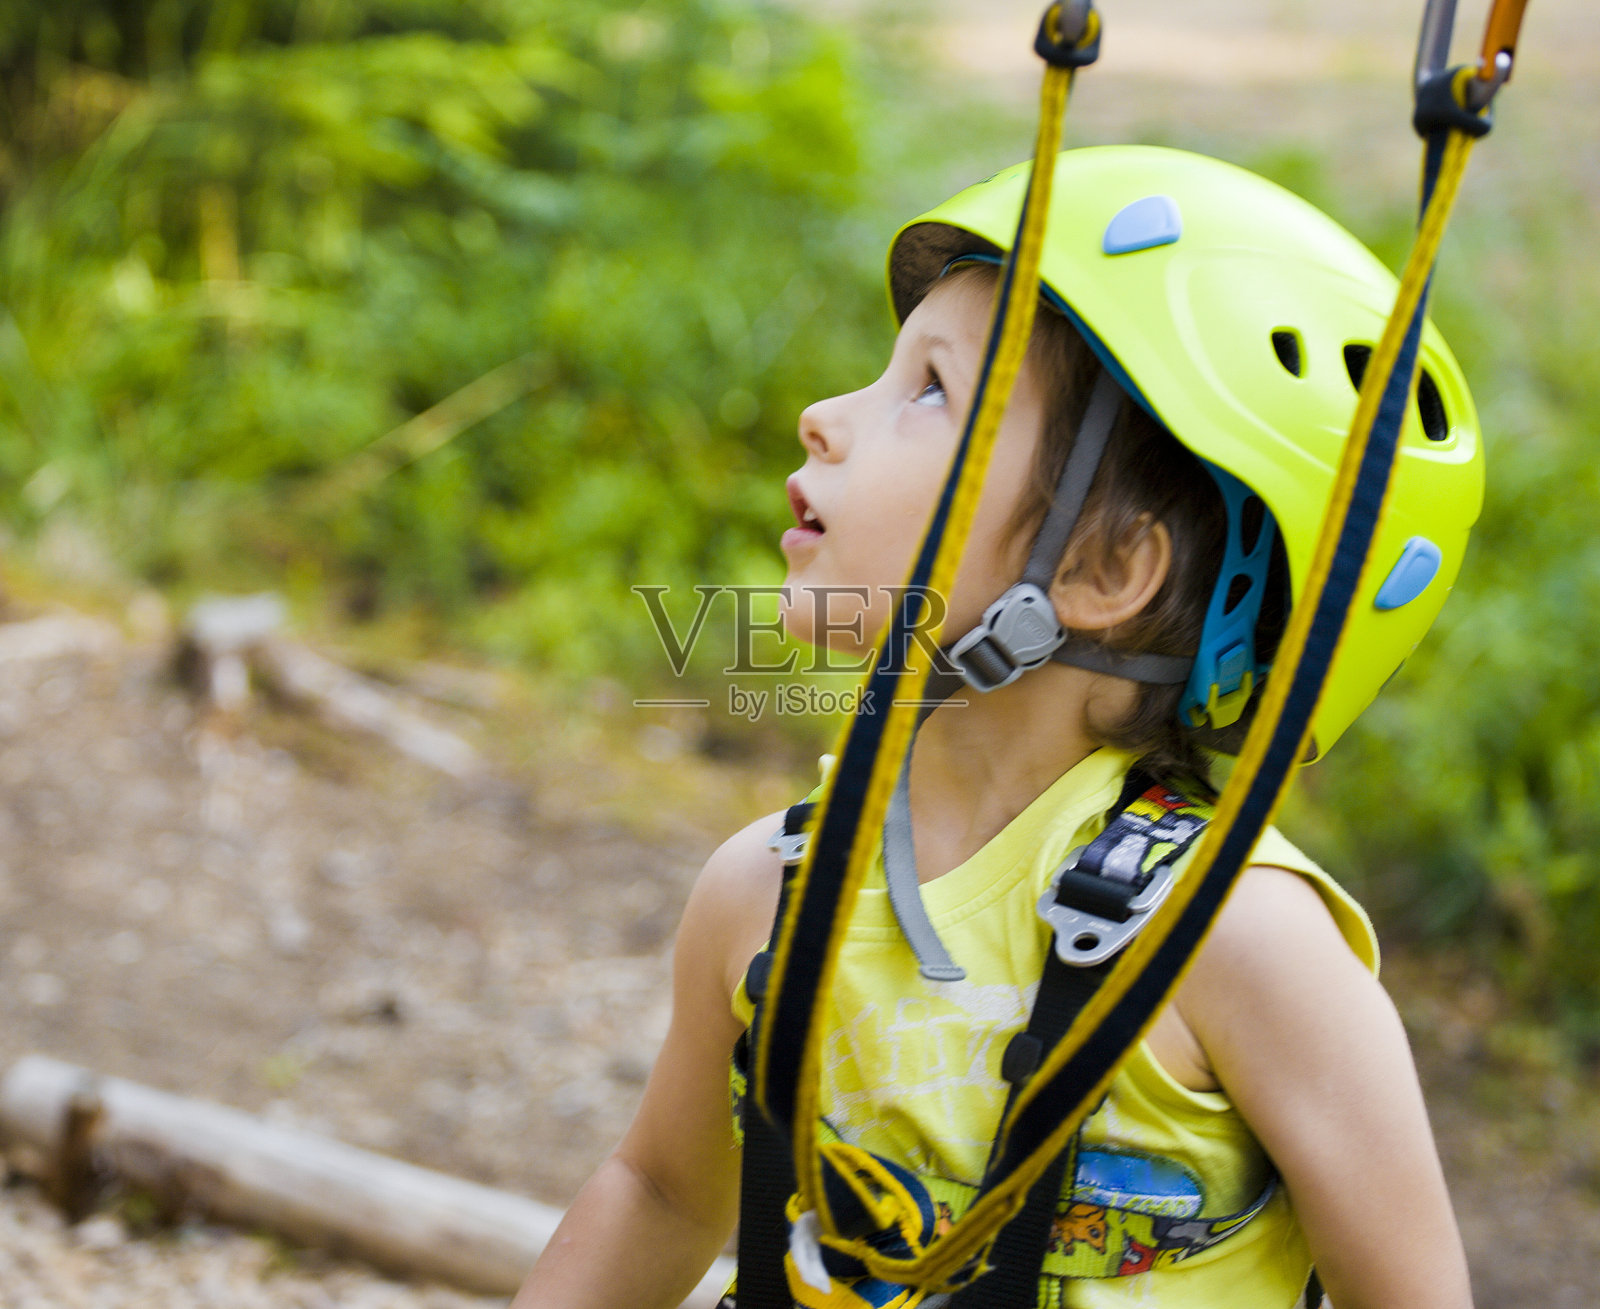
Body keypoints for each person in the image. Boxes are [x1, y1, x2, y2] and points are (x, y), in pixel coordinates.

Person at [513, 146, 1480, 1309]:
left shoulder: (1236, 941)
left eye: (929, 389)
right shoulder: (765, 896)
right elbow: (665, 1194)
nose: (823, 418)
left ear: (1104, 565)